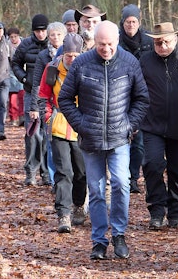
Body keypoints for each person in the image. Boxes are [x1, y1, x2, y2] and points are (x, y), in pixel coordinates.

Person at [58, 20, 149, 260]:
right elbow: (65, 99)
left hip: (120, 137)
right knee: (96, 190)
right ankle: (99, 240)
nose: (106, 49)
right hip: (91, 138)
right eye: (100, 44)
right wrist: (81, 124)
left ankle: (119, 234)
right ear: (93, 42)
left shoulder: (130, 63)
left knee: (121, 184)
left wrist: (129, 124)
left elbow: (142, 99)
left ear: (117, 41)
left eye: (109, 44)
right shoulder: (81, 64)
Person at [140, 22, 178, 230]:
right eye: (157, 42)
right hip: (152, 125)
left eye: (166, 41)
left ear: (175, 40)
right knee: (152, 165)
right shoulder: (145, 62)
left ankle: (176, 212)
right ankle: (156, 209)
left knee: (176, 170)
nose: (162, 45)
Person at [38, 33, 87, 234]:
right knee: (63, 171)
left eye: (76, 55)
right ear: (63, 54)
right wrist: (48, 117)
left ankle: (78, 205)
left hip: (81, 127)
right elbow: (43, 95)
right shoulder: (52, 69)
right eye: (69, 55)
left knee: (81, 172)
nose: (72, 59)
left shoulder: (87, 68)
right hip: (58, 124)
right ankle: (63, 213)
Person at [12, 14, 51, 186]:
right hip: (31, 93)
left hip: (49, 95)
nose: (41, 34)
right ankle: (31, 171)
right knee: (33, 133)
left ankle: (47, 172)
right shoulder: (25, 45)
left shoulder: (54, 44)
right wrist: (24, 79)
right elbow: (15, 63)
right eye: (38, 31)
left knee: (49, 134)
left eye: (43, 30)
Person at [118, 4, 153, 194]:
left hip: (141, 95)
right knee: (121, 140)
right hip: (120, 95)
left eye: (134, 22)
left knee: (138, 142)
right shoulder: (115, 41)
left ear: (139, 22)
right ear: (122, 23)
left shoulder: (148, 41)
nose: (130, 25)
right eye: (127, 22)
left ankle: (133, 178)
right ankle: (122, 177)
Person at [29, 21, 67, 185]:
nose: (56, 37)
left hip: (68, 106)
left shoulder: (73, 54)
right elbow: (37, 82)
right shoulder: (43, 56)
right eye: (53, 35)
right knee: (51, 142)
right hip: (50, 106)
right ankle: (53, 179)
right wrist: (35, 106)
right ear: (48, 37)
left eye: (59, 34)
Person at [6, 27, 25, 126]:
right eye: (11, 37)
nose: (13, 39)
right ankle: (13, 117)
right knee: (13, 98)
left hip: (22, 71)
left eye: (15, 36)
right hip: (11, 72)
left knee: (22, 96)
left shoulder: (23, 44)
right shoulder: (6, 45)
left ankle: (22, 116)